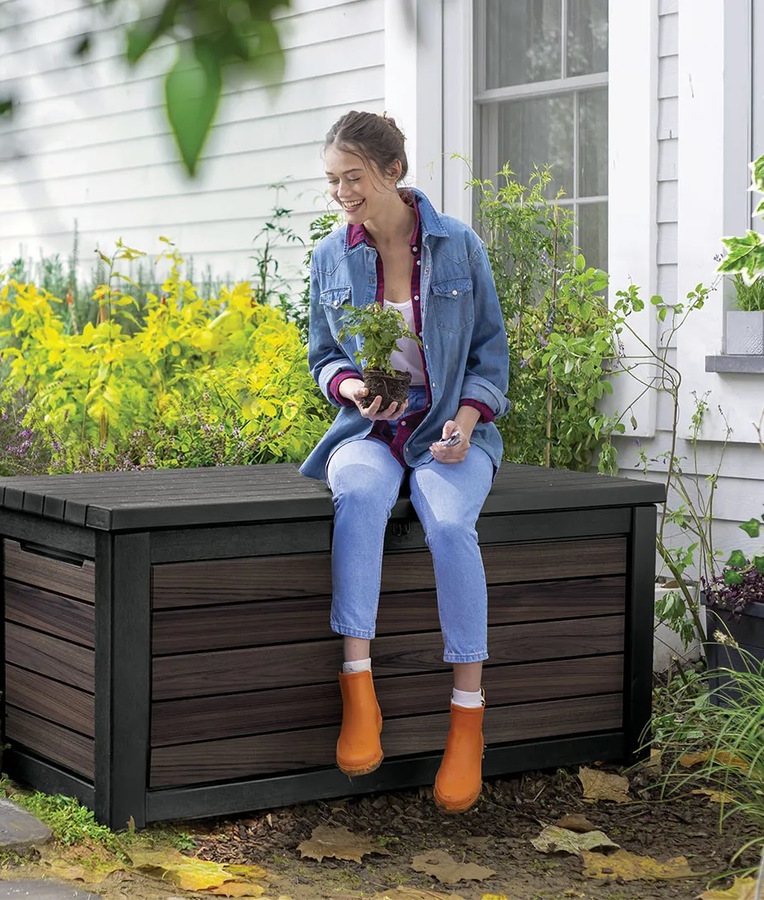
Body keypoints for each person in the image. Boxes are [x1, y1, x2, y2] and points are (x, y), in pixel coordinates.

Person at [299, 110, 510, 813]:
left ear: (392, 171)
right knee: (359, 495)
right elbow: (323, 356)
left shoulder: (457, 246)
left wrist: (466, 423)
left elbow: (490, 356)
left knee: (448, 523)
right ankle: (358, 689)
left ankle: (467, 720)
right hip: (370, 428)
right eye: (333, 180)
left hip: (450, 426)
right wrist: (352, 388)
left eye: (353, 177)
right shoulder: (331, 256)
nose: (342, 193)